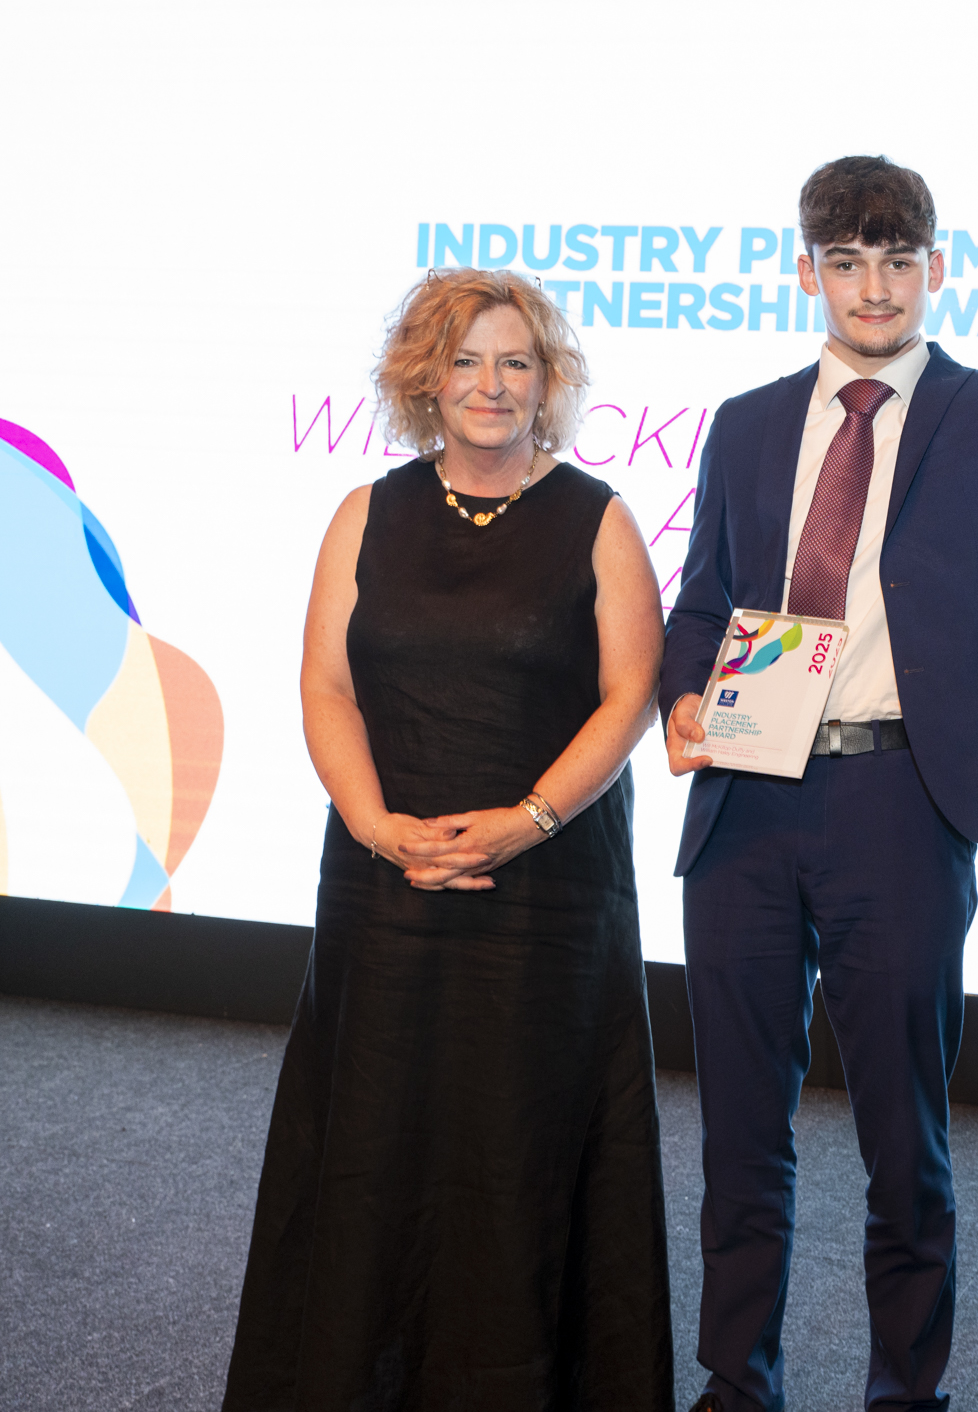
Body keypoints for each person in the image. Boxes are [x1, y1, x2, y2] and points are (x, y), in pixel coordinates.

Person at [659, 155, 978, 1412]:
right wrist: (677, 696)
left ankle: (903, 1388)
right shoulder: (751, 420)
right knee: (740, 1128)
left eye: (898, 258)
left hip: (901, 806)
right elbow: (704, 596)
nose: (874, 285)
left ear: (933, 268)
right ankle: (734, 1376)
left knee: (902, 1139)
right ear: (807, 270)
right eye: (848, 260)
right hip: (748, 804)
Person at [223, 269, 671, 1409]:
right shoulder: (366, 513)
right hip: (387, 886)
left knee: (525, 1151)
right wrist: (375, 826)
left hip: (549, 897)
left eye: (516, 361)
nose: (491, 383)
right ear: (426, 379)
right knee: (377, 1144)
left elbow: (629, 698)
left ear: (548, 382)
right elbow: (327, 685)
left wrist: (524, 824)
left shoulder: (600, 518)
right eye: (466, 360)